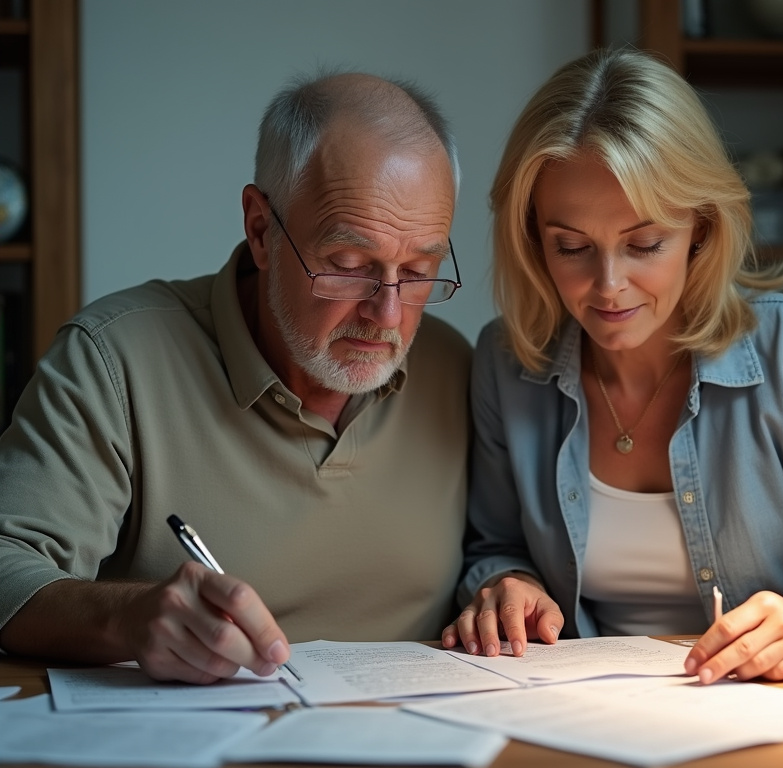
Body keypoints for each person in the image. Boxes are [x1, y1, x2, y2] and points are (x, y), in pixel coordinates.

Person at [442, 48, 783, 684]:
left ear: (700, 227)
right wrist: (509, 583)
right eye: (572, 247)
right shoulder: (506, 362)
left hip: (772, 706)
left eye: (645, 244)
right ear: (533, 238)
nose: (608, 285)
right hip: (575, 704)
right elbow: (494, 547)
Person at [0, 70, 472, 684]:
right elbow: (8, 565)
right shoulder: (114, 359)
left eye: (417, 271)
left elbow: (504, 550)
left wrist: (508, 583)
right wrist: (127, 617)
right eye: (349, 265)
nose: (387, 314)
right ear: (260, 229)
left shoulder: (454, 369)